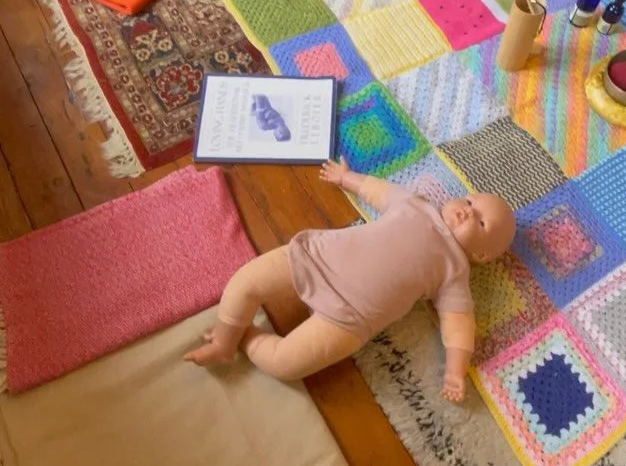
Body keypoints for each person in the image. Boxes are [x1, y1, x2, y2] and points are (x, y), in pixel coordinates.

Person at [185, 158, 516, 402]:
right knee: (244, 282)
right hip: (318, 257)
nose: (467, 212)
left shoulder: (454, 272)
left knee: (285, 363)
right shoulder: (418, 206)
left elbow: (459, 324)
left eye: (481, 223)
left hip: (348, 319)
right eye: (470, 201)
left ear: (482, 255)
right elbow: (379, 192)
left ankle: (246, 339)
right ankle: (223, 342)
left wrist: (456, 370)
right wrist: (347, 178)